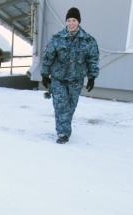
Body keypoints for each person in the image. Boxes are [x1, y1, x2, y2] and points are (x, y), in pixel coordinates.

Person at [41, 7, 99, 144]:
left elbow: (93, 59)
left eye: (74, 20)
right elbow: (48, 57)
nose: (71, 23)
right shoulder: (57, 39)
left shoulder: (88, 41)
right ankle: (63, 133)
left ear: (78, 22)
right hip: (58, 79)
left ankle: (64, 128)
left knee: (70, 107)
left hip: (76, 80)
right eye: (68, 20)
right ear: (66, 22)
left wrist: (92, 77)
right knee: (61, 106)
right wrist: (44, 74)